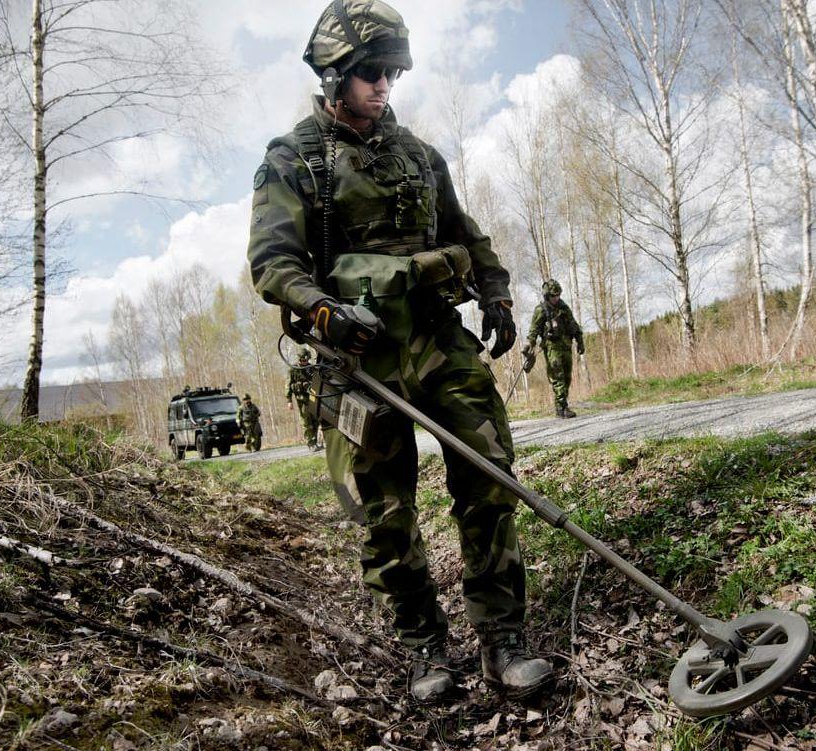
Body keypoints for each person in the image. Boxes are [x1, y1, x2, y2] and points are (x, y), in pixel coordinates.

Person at [246, 0, 552, 702]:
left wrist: (497, 292)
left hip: (438, 337)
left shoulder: (417, 154)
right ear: (333, 76)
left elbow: (466, 233)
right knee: (384, 510)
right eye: (370, 72)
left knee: (490, 475)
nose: (384, 85)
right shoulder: (295, 161)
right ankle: (424, 648)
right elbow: (272, 263)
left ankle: (503, 638)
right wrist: (321, 307)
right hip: (359, 356)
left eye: (391, 72)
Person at [523, 279, 584, 418]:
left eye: (558, 295)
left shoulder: (563, 307)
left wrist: (580, 341)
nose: (556, 298)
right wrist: (530, 344)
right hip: (552, 347)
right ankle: (562, 408)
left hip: (566, 346)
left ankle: (560, 407)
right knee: (558, 377)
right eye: (553, 296)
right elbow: (534, 329)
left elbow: (573, 324)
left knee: (567, 377)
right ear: (547, 295)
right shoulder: (541, 310)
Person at [285, 348, 323, 451]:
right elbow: (288, 385)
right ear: (299, 359)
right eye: (303, 360)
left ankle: (315, 442)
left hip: (313, 398)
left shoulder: (311, 368)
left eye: (306, 360)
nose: (305, 362)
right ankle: (310, 443)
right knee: (307, 422)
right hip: (301, 399)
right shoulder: (293, 369)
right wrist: (289, 401)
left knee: (315, 421)